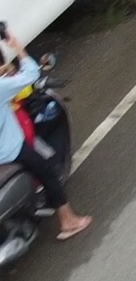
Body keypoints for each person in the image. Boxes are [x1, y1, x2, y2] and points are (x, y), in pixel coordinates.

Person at [0, 29, 89, 240]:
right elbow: (31, 74)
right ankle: (68, 221)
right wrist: (17, 47)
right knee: (47, 171)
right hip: (10, 150)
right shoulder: (2, 87)